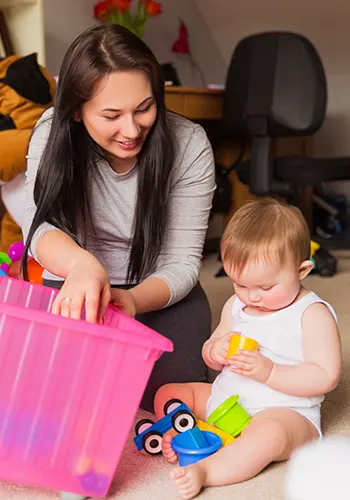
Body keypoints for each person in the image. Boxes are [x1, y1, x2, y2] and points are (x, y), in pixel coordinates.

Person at [21, 22, 215, 497]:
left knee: (172, 402)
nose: (131, 130)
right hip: (76, 290)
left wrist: (129, 301)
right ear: (75, 112)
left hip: (156, 295)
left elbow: (184, 264)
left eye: (144, 108)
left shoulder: (188, 144)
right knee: (50, 402)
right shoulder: (51, 133)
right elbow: (40, 229)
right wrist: (84, 266)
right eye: (111, 114)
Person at [154, 199, 342, 499]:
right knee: (169, 394)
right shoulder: (237, 305)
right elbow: (211, 351)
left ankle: (208, 469)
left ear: (302, 270)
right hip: (228, 402)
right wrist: (214, 350)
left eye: (266, 287)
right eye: (239, 284)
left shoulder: (311, 313)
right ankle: (192, 433)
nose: (252, 296)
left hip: (283, 412)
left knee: (267, 437)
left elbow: (325, 376)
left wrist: (269, 372)